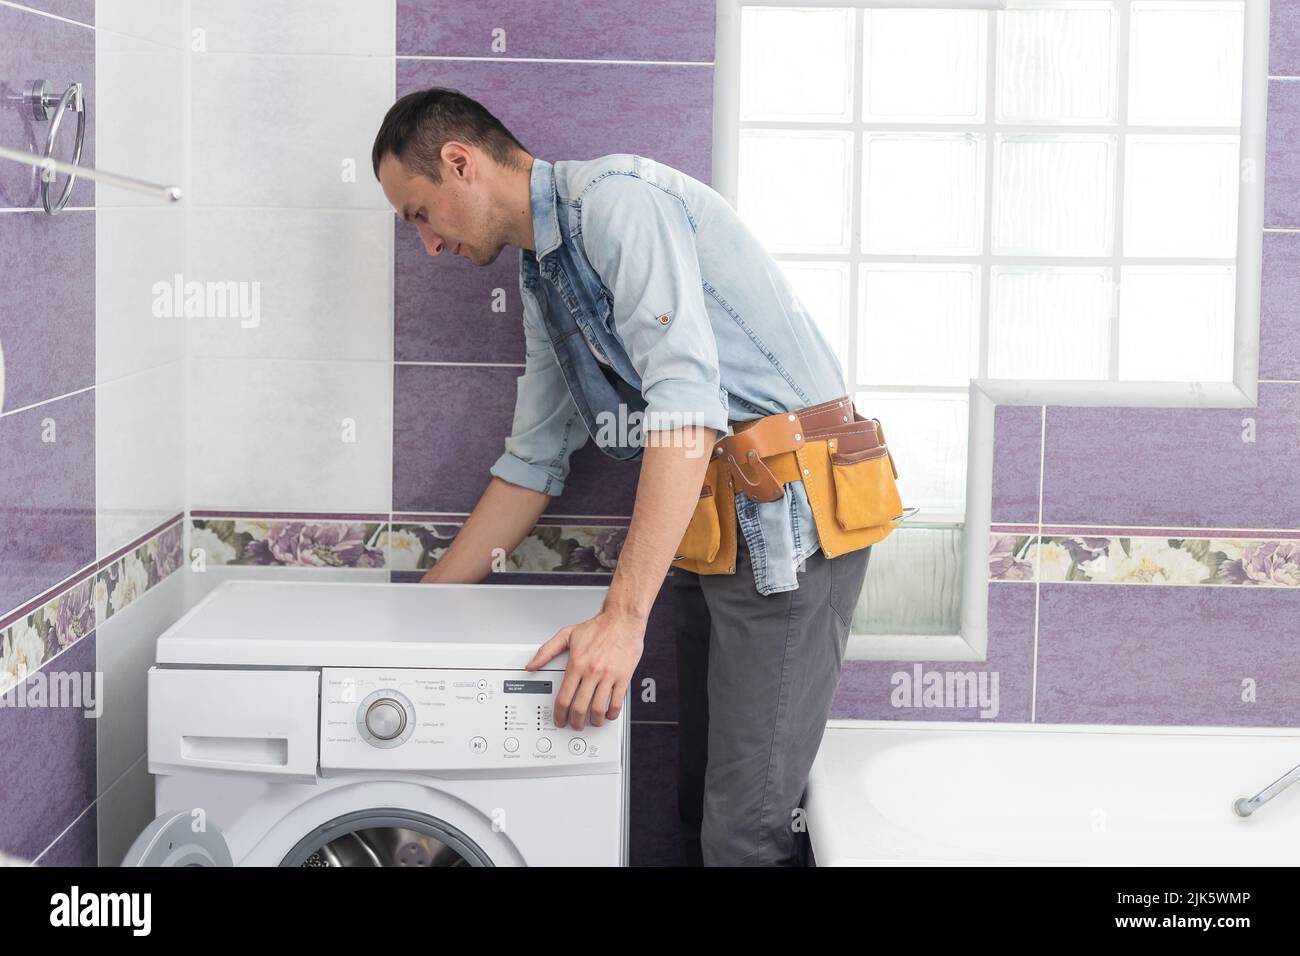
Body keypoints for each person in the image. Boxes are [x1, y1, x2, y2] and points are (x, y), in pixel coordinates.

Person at [372, 87, 874, 867]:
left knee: (745, 831)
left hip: (790, 519)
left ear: (459, 162)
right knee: (695, 804)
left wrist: (623, 618)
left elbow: (686, 407)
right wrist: (411, 623)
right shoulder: (545, 277)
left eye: (416, 214)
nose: (426, 244)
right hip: (712, 524)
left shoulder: (616, 202)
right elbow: (533, 463)